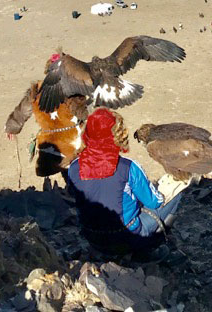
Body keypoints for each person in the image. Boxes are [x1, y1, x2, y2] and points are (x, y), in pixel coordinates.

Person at [66, 108, 183, 254]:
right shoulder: (128, 167)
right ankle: (151, 246)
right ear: (118, 135)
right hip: (126, 237)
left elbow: (77, 196)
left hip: (92, 237)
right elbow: (155, 202)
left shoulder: (73, 167)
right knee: (177, 191)